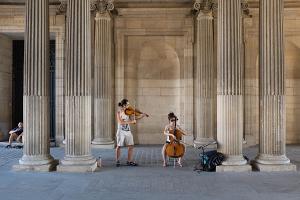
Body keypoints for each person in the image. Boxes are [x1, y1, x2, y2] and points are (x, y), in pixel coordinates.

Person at [115, 99, 148, 167]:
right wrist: (131, 122)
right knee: (119, 146)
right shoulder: (119, 112)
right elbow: (120, 122)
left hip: (128, 131)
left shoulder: (128, 112)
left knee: (131, 146)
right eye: (128, 104)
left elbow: (134, 118)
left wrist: (142, 115)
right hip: (121, 131)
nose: (129, 105)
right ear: (124, 105)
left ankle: (129, 161)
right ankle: (117, 160)